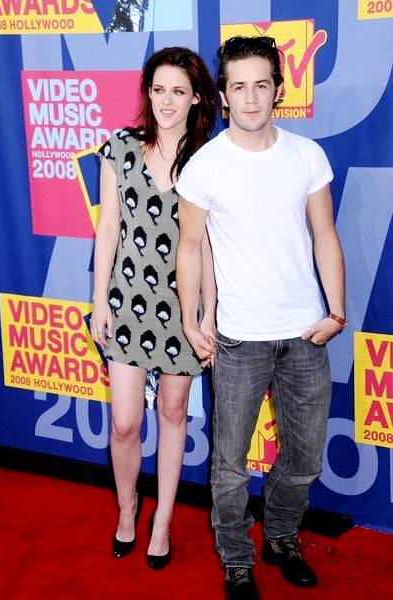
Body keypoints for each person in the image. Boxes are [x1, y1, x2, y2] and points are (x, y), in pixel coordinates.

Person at [176, 36, 346, 600]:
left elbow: (325, 234)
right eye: (238, 86)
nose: (250, 97)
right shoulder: (204, 166)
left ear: (279, 89)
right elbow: (192, 248)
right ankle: (237, 560)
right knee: (228, 466)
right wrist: (194, 318)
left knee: (304, 460)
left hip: (304, 334)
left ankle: (281, 537)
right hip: (237, 340)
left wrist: (336, 310)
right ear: (223, 96)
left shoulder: (306, 156)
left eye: (261, 84)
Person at [90, 46, 217, 569]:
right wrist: (99, 299)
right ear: (148, 92)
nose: (167, 101)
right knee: (123, 423)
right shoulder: (119, 147)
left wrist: (207, 315)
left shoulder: (209, 159)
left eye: (179, 92)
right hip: (125, 304)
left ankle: (162, 520)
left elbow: (208, 245)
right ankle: (128, 508)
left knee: (171, 413)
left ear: (196, 99)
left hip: (182, 308)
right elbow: (108, 228)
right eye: (159, 89)